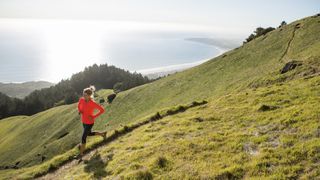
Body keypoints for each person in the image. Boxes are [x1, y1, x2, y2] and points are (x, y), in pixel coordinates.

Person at [77, 85, 106, 159]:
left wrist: (93, 116)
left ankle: (81, 154)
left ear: (89, 95)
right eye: (83, 94)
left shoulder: (93, 103)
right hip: (83, 121)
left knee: (83, 137)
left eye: (85, 95)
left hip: (90, 122)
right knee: (89, 133)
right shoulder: (82, 100)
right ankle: (102, 134)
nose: (84, 96)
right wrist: (80, 111)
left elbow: (102, 110)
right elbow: (79, 105)